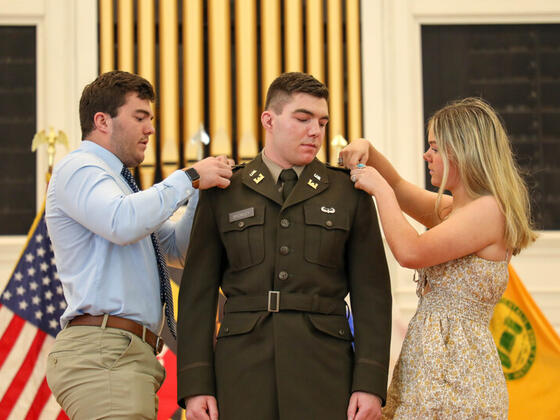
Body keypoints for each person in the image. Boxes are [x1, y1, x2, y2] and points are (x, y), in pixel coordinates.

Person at [177, 72, 392, 420]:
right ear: (269, 120)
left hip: (325, 369)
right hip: (242, 370)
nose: (315, 131)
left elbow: (373, 295)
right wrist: (195, 383)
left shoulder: (349, 193)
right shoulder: (225, 190)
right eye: (303, 119)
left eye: (322, 122)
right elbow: (196, 295)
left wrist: (369, 383)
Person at [45, 70, 233, 419]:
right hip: (103, 355)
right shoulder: (79, 168)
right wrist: (189, 177)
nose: (150, 129)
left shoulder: (122, 187)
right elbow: (122, 222)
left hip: (124, 355)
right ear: (102, 121)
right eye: (140, 117)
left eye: (151, 119)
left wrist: (198, 195)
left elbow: (178, 251)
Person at [341, 97, 537, 419]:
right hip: (432, 374)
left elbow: (411, 252)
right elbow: (402, 187)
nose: (426, 155)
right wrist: (370, 151)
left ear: (460, 151)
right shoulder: (456, 210)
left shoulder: (488, 211)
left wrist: (381, 192)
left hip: (457, 380)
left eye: (434, 147)